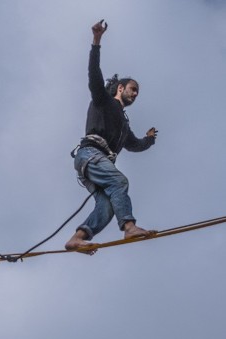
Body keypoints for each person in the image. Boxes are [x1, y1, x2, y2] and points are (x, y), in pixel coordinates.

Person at [65, 20, 158, 254]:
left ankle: (77, 238)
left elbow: (135, 145)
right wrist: (96, 41)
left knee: (106, 206)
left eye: (137, 92)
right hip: (90, 154)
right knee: (119, 182)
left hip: (94, 162)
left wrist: (149, 139)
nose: (135, 94)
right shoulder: (103, 101)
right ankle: (129, 226)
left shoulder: (123, 126)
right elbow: (94, 74)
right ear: (120, 88)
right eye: (133, 89)